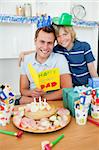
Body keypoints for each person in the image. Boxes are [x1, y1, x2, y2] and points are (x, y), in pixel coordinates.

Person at [19, 13, 98, 86]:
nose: (62, 39)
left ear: (72, 33)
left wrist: (97, 87)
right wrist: (25, 53)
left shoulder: (84, 47)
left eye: (65, 34)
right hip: (70, 88)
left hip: (86, 87)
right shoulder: (57, 49)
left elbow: (92, 70)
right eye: (58, 36)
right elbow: (44, 49)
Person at [18, 25, 72, 105]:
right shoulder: (26, 60)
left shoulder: (60, 59)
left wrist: (41, 99)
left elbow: (67, 89)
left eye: (49, 43)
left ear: (54, 44)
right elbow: (23, 90)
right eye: (42, 42)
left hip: (53, 102)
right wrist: (32, 93)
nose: (45, 47)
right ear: (35, 41)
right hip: (33, 103)